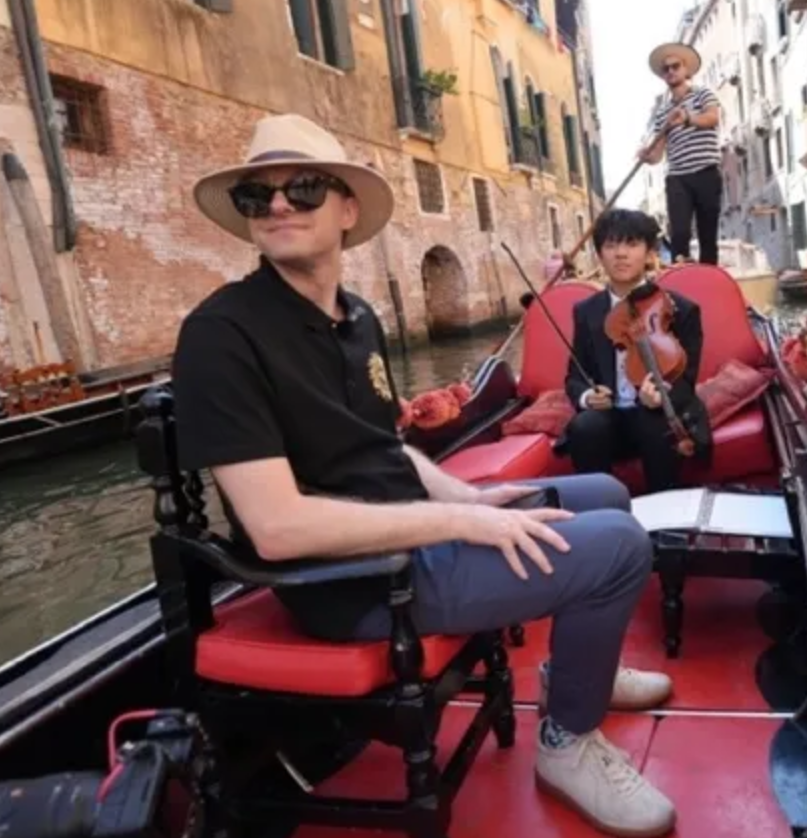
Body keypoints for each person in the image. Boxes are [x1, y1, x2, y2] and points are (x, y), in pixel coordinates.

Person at [169, 115, 678, 838]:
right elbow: (277, 528)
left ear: (347, 209)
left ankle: (577, 672)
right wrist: (463, 521)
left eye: (303, 188)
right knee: (619, 548)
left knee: (607, 494)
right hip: (352, 579)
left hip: (412, 535)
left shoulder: (356, 318)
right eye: (259, 194)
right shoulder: (222, 336)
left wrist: (472, 496)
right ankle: (567, 743)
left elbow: (387, 448)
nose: (279, 204)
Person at [563, 208, 712, 495]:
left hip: (657, 414)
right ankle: (601, 509)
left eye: (631, 244)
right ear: (599, 255)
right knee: (585, 427)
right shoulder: (585, 311)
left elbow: (687, 381)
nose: (620, 254)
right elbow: (574, 376)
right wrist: (587, 396)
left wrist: (660, 397)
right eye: (611, 245)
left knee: (655, 423)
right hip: (611, 418)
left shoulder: (680, 309)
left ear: (649, 253)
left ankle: (665, 507)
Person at [636, 42, 723, 266]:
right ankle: (681, 278)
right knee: (679, 234)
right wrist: (646, 155)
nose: (671, 71)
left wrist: (687, 118)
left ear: (686, 70)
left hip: (706, 172)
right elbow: (658, 155)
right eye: (666, 69)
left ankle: (708, 279)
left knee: (707, 235)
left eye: (675, 66)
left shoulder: (703, 94)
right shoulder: (662, 113)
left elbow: (713, 118)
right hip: (678, 177)